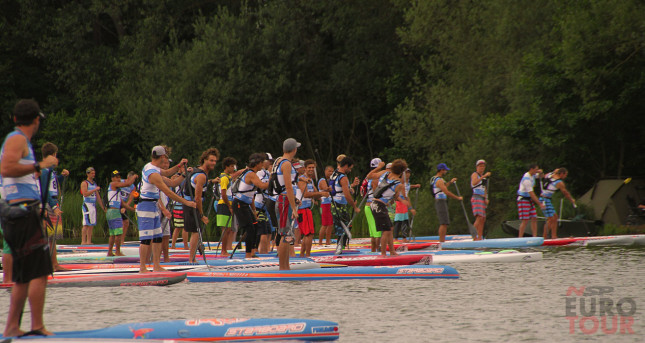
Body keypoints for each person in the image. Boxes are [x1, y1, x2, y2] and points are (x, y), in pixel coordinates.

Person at [1, 99, 58, 337]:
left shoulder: (18, 140)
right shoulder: (17, 139)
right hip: (22, 213)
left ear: (15, 118)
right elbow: (6, 168)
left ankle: (13, 327)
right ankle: (37, 326)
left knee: (24, 277)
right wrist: (40, 165)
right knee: (38, 272)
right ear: (36, 120)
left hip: (20, 211)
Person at [137, 146, 195, 273]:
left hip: (153, 206)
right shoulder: (153, 174)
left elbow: (169, 176)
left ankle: (157, 266)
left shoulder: (151, 166)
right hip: (145, 206)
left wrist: (180, 168)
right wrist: (186, 202)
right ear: (163, 157)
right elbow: (169, 192)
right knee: (146, 239)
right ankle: (142, 268)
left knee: (158, 237)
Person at [366, 159, 413, 256]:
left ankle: (392, 251)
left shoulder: (385, 173)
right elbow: (396, 196)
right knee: (386, 230)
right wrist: (404, 201)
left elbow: (369, 176)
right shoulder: (398, 184)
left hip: (376, 204)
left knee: (390, 228)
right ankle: (383, 254)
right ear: (401, 172)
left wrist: (379, 168)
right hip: (379, 206)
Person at [183, 148, 219, 263]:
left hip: (189, 203)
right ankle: (191, 260)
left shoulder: (197, 170)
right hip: (192, 205)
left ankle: (193, 256)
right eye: (211, 160)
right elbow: (198, 197)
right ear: (205, 160)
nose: (213, 163)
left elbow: (199, 184)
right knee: (196, 232)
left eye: (215, 161)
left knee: (195, 232)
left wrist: (211, 181)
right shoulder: (202, 176)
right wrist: (202, 215)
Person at [39, 142, 69, 271]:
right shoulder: (44, 171)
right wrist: (53, 206)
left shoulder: (50, 171)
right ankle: (51, 264)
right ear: (52, 155)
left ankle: (54, 263)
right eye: (56, 155)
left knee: (53, 237)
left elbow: (54, 185)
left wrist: (62, 177)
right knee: (49, 237)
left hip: (52, 203)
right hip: (48, 204)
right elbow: (44, 191)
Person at [231, 153, 269, 258]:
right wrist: (273, 180)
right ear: (257, 163)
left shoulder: (251, 172)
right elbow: (262, 186)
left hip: (245, 204)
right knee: (250, 229)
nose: (263, 165)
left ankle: (252, 252)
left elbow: (251, 195)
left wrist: (254, 211)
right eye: (262, 163)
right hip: (239, 204)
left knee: (256, 225)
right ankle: (248, 254)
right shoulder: (251, 174)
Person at [274, 138, 300, 270]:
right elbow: (288, 187)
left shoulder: (279, 161)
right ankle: (283, 268)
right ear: (294, 150)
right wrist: (294, 208)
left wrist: (294, 199)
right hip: (284, 202)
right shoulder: (286, 164)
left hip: (285, 200)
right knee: (286, 234)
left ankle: (286, 266)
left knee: (287, 234)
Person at [297, 159, 328, 257]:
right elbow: (305, 194)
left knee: (307, 234)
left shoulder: (310, 180)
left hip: (306, 209)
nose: (311, 169)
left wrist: (325, 192)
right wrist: (321, 193)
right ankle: (308, 256)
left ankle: (302, 255)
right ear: (305, 168)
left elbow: (316, 195)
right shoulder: (302, 179)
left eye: (313, 168)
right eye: (309, 168)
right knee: (309, 234)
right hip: (303, 209)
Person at [330, 156, 361, 252]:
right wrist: (354, 206)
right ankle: (340, 248)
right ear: (346, 166)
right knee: (344, 227)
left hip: (334, 204)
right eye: (350, 168)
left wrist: (351, 188)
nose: (350, 170)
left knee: (342, 226)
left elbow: (342, 189)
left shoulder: (335, 173)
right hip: (340, 205)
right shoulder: (343, 177)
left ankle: (341, 247)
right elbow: (347, 196)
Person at [106, 170, 137, 256]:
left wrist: (132, 209)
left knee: (112, 234)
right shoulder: (113, 184)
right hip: (114, 212)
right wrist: (134, 177)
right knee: (118, 233)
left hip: (110, 212)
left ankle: (109, 252)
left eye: (119, 177)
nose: (118, 179)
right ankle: (118, 252)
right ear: (112, 178)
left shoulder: (117, 190)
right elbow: (127, 184)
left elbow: (123, 203)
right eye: (116, 177)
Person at [538, 168, 576, 239]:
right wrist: (571, 200)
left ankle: (554, 236)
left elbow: (545, 175)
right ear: (561, 174)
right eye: (565, 174)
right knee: (550, 219)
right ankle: (544, 238)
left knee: (555, 217)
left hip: (547, 199)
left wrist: (545, 173)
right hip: (544, 200)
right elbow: (565, 193)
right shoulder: (559, 182)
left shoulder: (549, 175)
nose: (566, 176)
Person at [430, 163, 462, 242]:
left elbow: (444, 187)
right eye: (445, 170)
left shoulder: (436, 179)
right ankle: (442, 242)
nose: (446, 172)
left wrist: (450, 182)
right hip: (440, 201)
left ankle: (442, 241)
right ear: (441, 170)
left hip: (441, 201)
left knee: (445, 222)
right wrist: (457, 198)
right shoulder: (439, 180)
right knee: (443, 222)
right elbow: (446, 191)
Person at [254, 153, 276, 253]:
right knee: (263, 231)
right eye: (269, 162)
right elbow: (261, 186)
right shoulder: (260, 173)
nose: (270, 164)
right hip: (259, 204)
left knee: (268, 231)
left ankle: (266, 251)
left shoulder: (266, 172)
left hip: (266, 205)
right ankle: (262, 253)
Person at [516, 164, 546, 237]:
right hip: (523, 200)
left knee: (534, 217)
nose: (537, 171)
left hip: (529, 200)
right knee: (525, 220)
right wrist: (540, 204)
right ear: (531, 169)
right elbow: (532, 194)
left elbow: (542, 177)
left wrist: (541, 172)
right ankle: (520, 237)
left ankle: (534, 236)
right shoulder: (526, 179)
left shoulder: (533, 175)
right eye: (536, 169)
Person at [216, 157, 237, 256]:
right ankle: (223, 251)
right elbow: (223, 194)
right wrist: (229, 206)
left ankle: (225, 250)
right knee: (225, 230)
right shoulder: (224, 178)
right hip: (224, 205)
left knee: (228, 230)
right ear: (226, 167)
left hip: (227, 204)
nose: (233, 168)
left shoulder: (228, 177)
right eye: (232, 166)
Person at [80, 166, 105, 244]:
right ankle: (83, 241)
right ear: (88, 174)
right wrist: (94, 189)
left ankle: (89, 241)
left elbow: (98, 197)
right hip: (87, 205)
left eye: (94, 173)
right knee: (86, 224)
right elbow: (85, 193)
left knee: (91, 224)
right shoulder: (84, 183)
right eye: (92, 173)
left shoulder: (94, 184)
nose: (93, 174)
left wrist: (103, 207)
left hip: (93, 205)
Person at [363, 158, 382, 252]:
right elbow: (376, 194)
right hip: (373, 206)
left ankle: (373, 251)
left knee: (372, 232)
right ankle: (378, 251)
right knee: (378, 232)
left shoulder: (368, 178)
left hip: (367, 206)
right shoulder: (375, 179)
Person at [470, 160, 491, 241]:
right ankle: (474, 236)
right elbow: (474, 182)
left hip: (482, 198)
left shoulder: (483, 177)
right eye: (480, 166)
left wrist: (486, 198)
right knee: (479, 217)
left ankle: (480, 237)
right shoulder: (474, 174)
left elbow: (484, 188)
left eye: (483, 166)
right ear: (477, 167)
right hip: (476, 197)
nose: (482, 168)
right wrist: (483, 176)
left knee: (483, 218)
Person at [317, 165, 334, 245]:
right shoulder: (322, 180)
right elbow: (324, 187)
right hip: (325, 204)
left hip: (330, 203)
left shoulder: (331, 180)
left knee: (330, 224)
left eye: (332, 171)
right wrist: (328, 188)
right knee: (325, 224)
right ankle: (320, 242)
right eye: (329, 171)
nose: (331, 173)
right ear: (325, 171)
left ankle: (328, 241)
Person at [119, 171, 137, 245]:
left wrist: (125, 207)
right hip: (116, 203)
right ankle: (115, 241)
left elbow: (130, 198)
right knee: (117, 222)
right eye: (133, 179)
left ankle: (121, 240)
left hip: (124, 205)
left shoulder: (133, 187)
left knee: (126, 222)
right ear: (129, 178)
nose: (133, 181)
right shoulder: (120, 182)